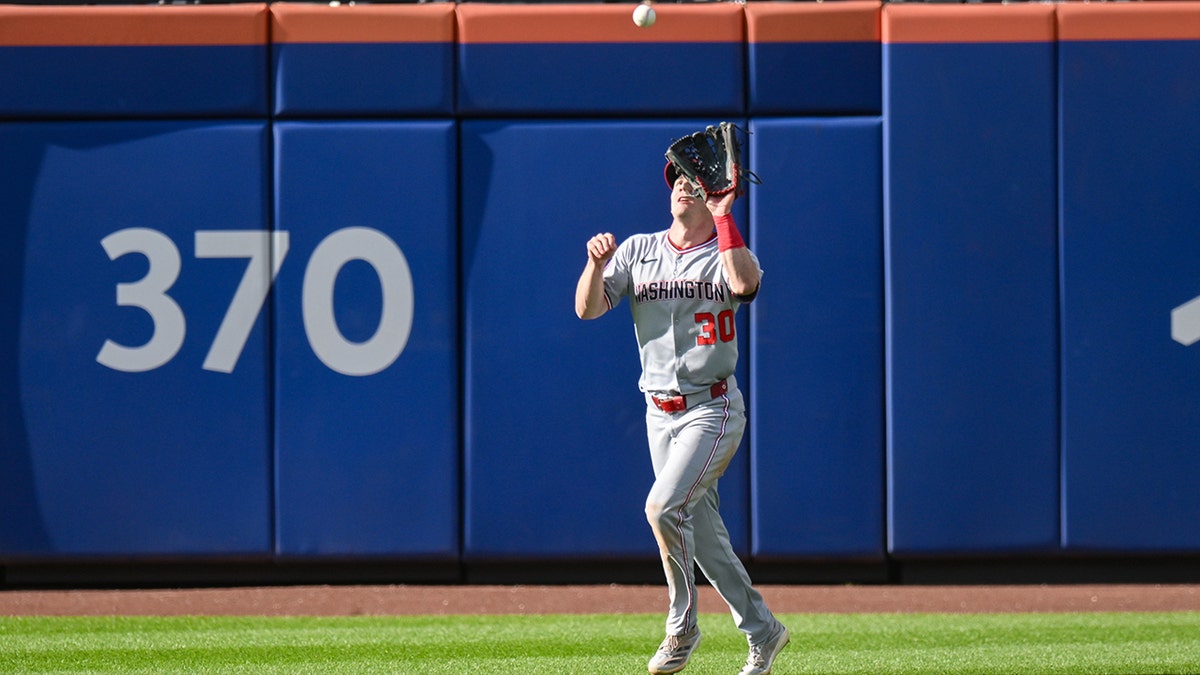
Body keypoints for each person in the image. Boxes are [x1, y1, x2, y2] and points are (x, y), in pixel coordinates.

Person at [574, 150, 790, 675]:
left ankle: (682, 627)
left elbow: (745, 287)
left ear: (715, 194)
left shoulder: (730, 250)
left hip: (712, 409)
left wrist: (724, 215)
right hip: (658, 411)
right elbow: (587, 308)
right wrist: (596, 264)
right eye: (679, 180)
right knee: (705, 535)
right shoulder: (639, 249)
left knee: (662, 508)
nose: (684, 187)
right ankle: (764, 631)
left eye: (696, 181)